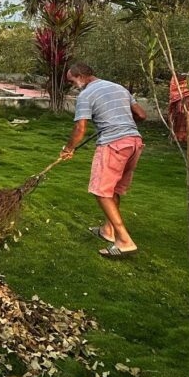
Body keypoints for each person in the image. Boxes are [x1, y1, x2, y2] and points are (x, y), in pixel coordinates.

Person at [59, 62, 146, 259]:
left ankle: (124, 240)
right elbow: (141, 115)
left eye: (72, 81)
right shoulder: (118, 87)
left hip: (113, 144)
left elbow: (80, 129)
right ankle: (108, 230)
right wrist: (121, 121)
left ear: (80, 76)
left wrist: (68, 149)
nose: (73, 86)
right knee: (113, 188)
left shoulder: (86, 95)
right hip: (134, 143)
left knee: (101, 191)